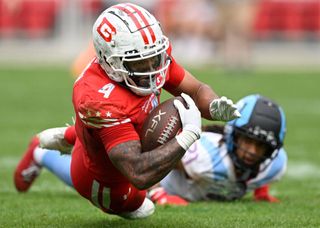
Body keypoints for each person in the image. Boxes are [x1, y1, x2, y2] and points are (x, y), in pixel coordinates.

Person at [14, 3, 240, 220]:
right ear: (110, 62)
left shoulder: (149, 55)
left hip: (114, 131)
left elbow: (198, 89)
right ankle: (41, 153)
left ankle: (71, 135)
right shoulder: (98, 98)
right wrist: (188, 134)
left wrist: (213, 105)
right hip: (103, 176)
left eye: (155, 59)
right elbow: (138, 173)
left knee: (121, 129)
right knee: (142, 208)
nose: (153, 70)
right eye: (140, 64)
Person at [149, 94, 287, 205]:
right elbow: (153, 158)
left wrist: (261, 191)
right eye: (248, 140)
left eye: (261, 145)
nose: (252, 151)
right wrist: (158, 193)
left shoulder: (275, 165)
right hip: (168, 186)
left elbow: (260, 173)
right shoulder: (205, 155)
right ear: (234, 135)